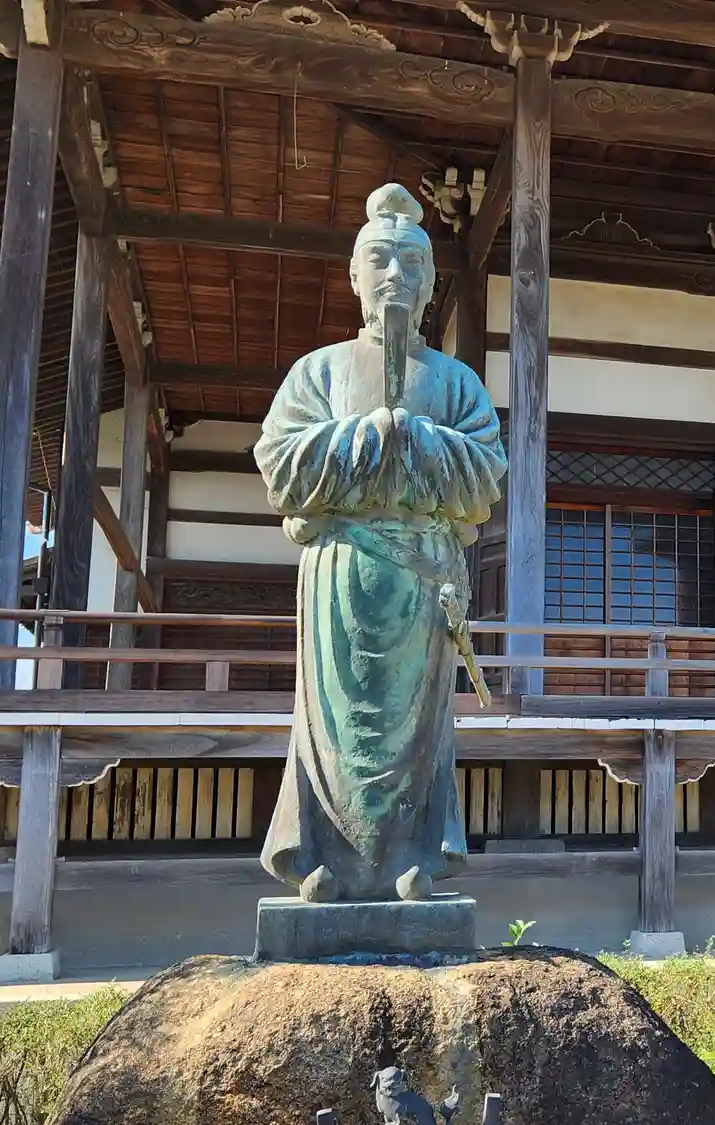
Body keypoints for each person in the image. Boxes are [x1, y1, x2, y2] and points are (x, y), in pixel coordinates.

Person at [254, 183, 506, 903]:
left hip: (421, 574)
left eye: (412, 263)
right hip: (341, 569)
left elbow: (487, 472)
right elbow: (279, 464)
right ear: (355, 276)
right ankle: (324, 860)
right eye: (380, 260)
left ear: (429, 283)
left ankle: (414, 859)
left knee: (418, 730)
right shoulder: (318, 371)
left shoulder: (456, 382)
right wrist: (365, 436)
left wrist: (416, 437)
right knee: (333, 723)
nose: (396, 274)